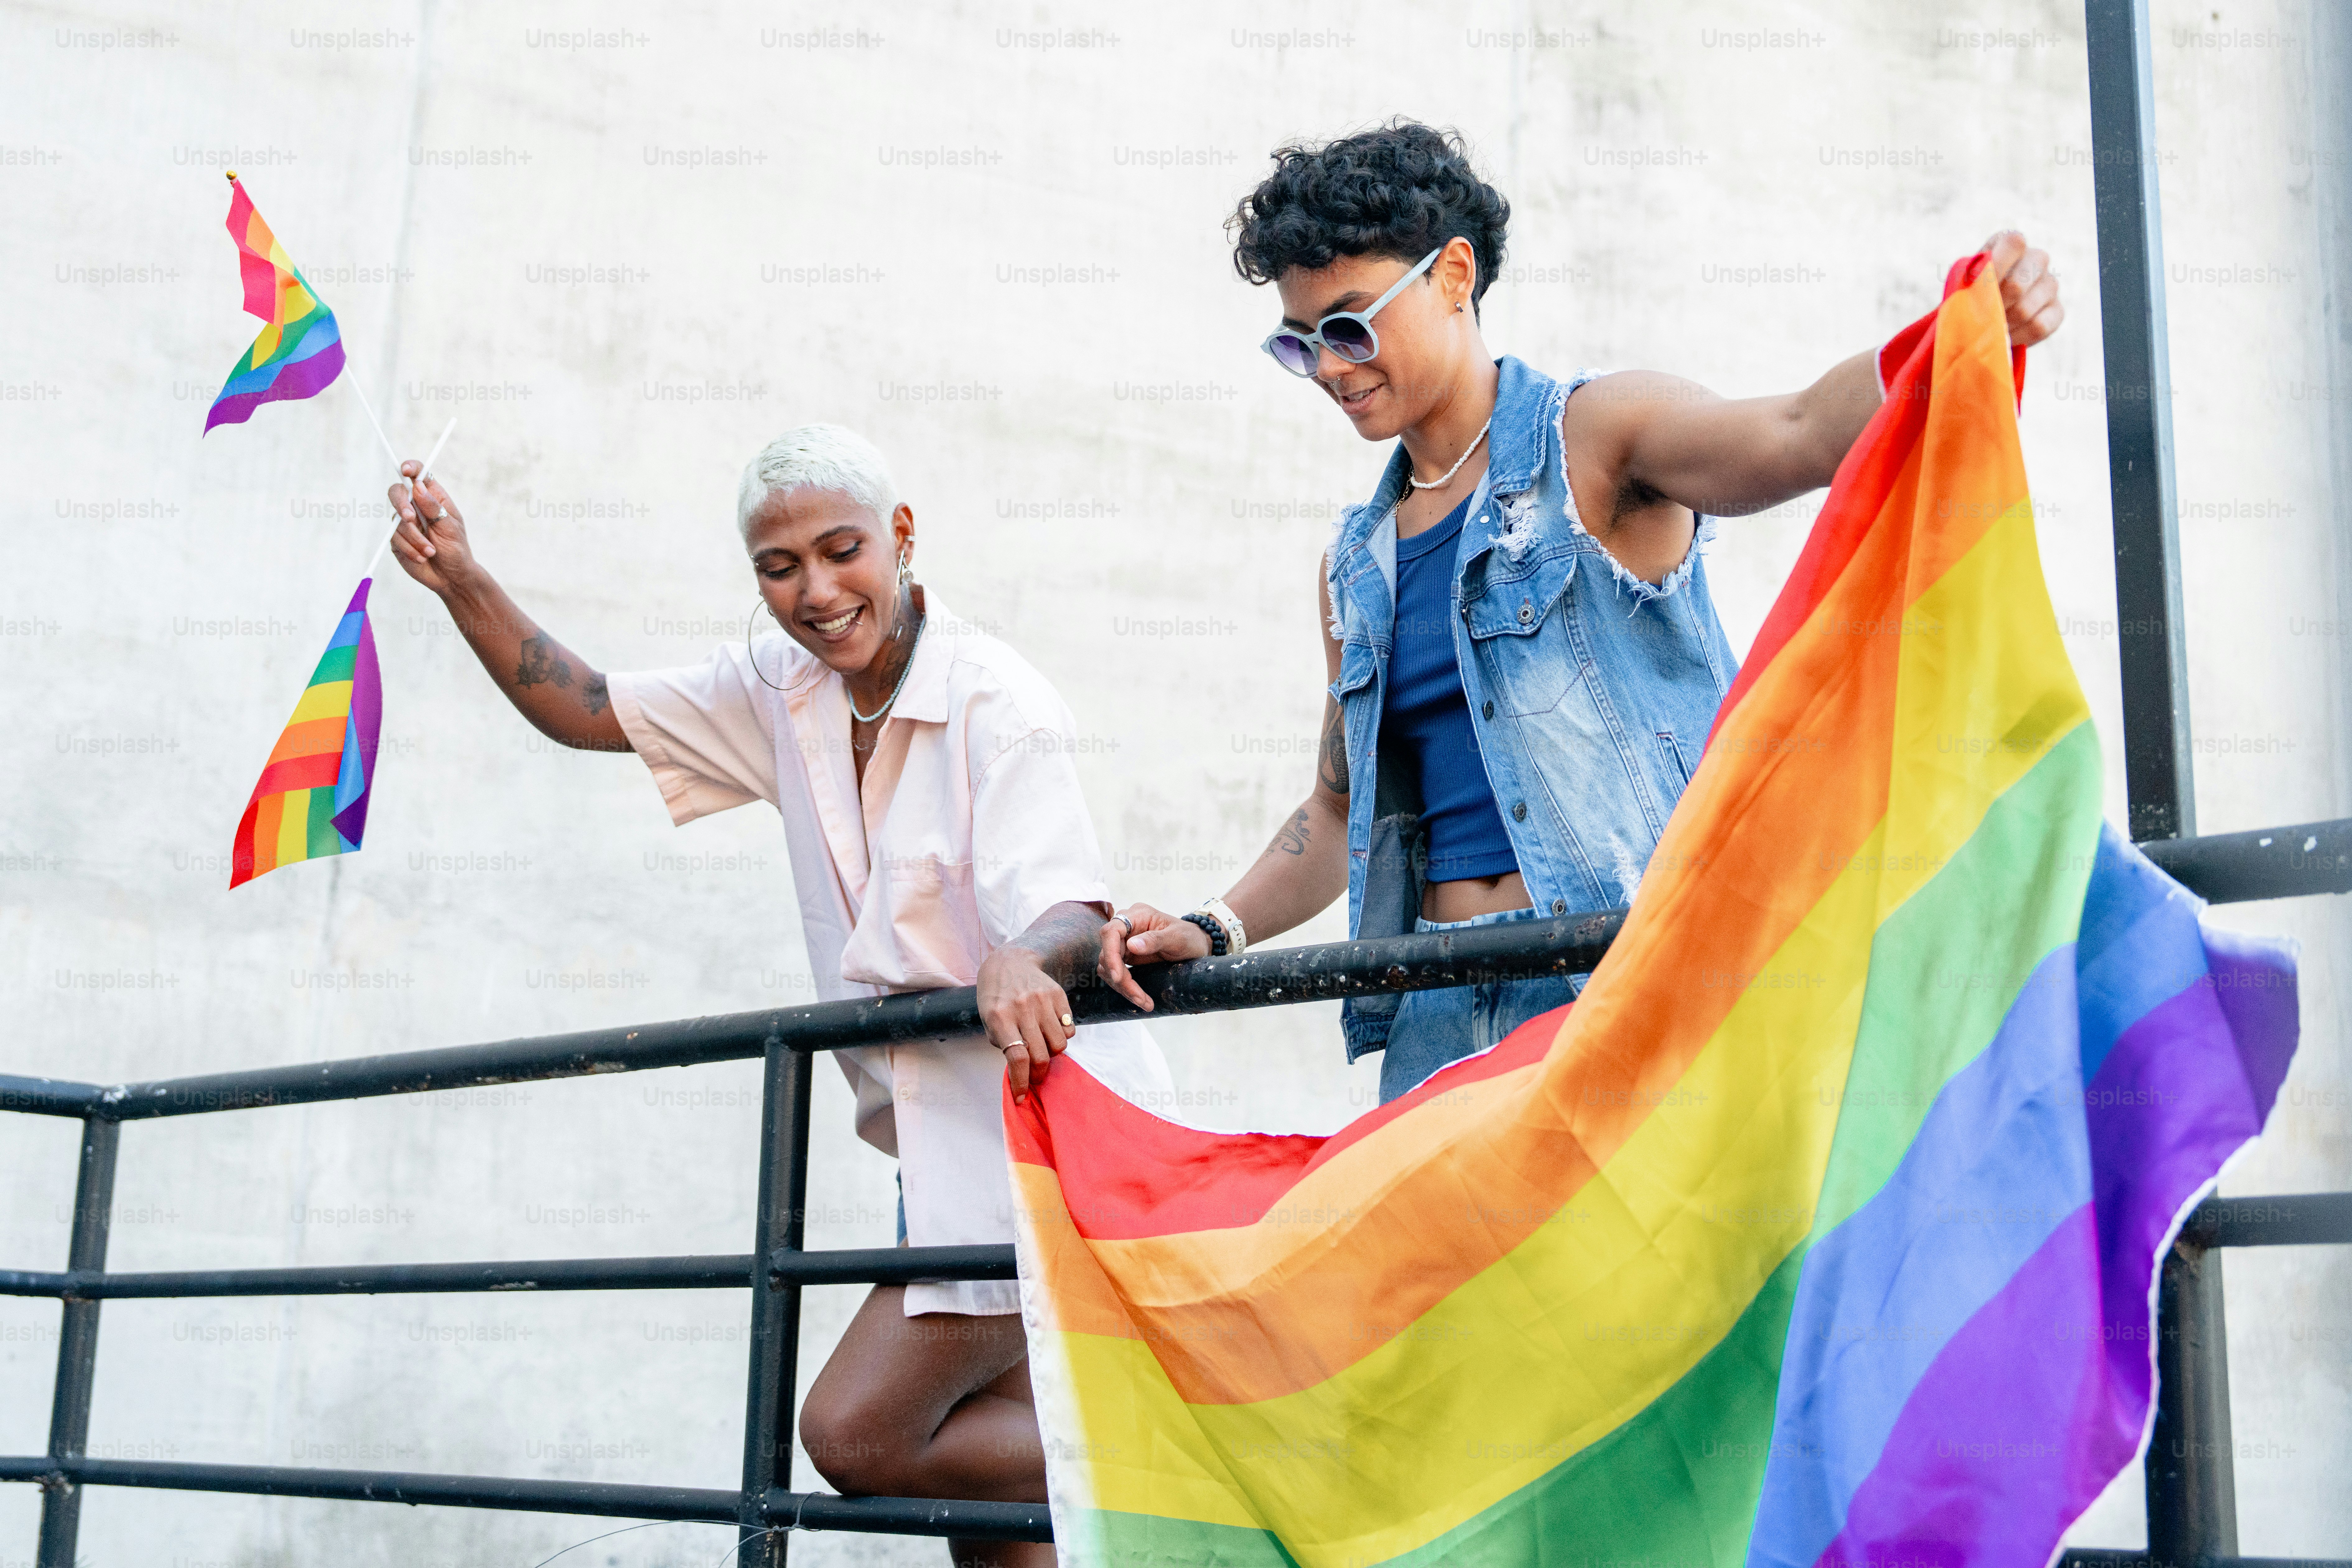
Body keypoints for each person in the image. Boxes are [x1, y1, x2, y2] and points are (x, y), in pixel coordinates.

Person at [1096, 119, 2065, 1103]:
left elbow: (1794, 430)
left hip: (1623, 983)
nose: (1333, 368)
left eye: (1349, 326)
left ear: (1452, 275)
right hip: (1436, 1011)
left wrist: (1961, 331)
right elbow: (1340, 806)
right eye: (1299, 346)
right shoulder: (1355, 562)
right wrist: (1214, 926)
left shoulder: (1592, 441)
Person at [386, 422, 1166, 1568]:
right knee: (990, 1528)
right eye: (778, 566)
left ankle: (1179, 1454)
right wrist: (462, 579)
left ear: (901, 537)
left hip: (1042, 1147)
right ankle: (1171, 1461)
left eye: (841, 550)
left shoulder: (996, 698)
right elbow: (589, 705)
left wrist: (1017, 956)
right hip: (933, 1161)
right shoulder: (779, 687)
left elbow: (1071, 906)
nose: (815, 590)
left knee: (861, 1431)